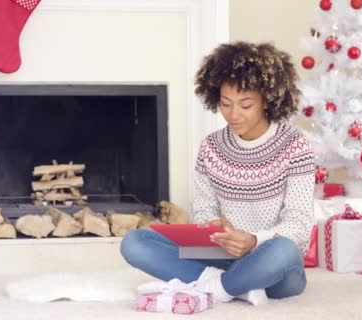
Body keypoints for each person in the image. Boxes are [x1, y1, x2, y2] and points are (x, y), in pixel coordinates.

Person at [120, 42, 315, 306]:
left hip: (270, 259)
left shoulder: (295, 144)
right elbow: (202, 209)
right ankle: (237, 286)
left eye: (245, 105)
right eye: (225, 103)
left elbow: (300, 224)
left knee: (284, 250)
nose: (233, 115)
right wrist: (213, 225)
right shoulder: (212, 146)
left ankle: (215, 288)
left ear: (267, 101)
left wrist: (254, 240)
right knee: (135, 242)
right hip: (222, 254)